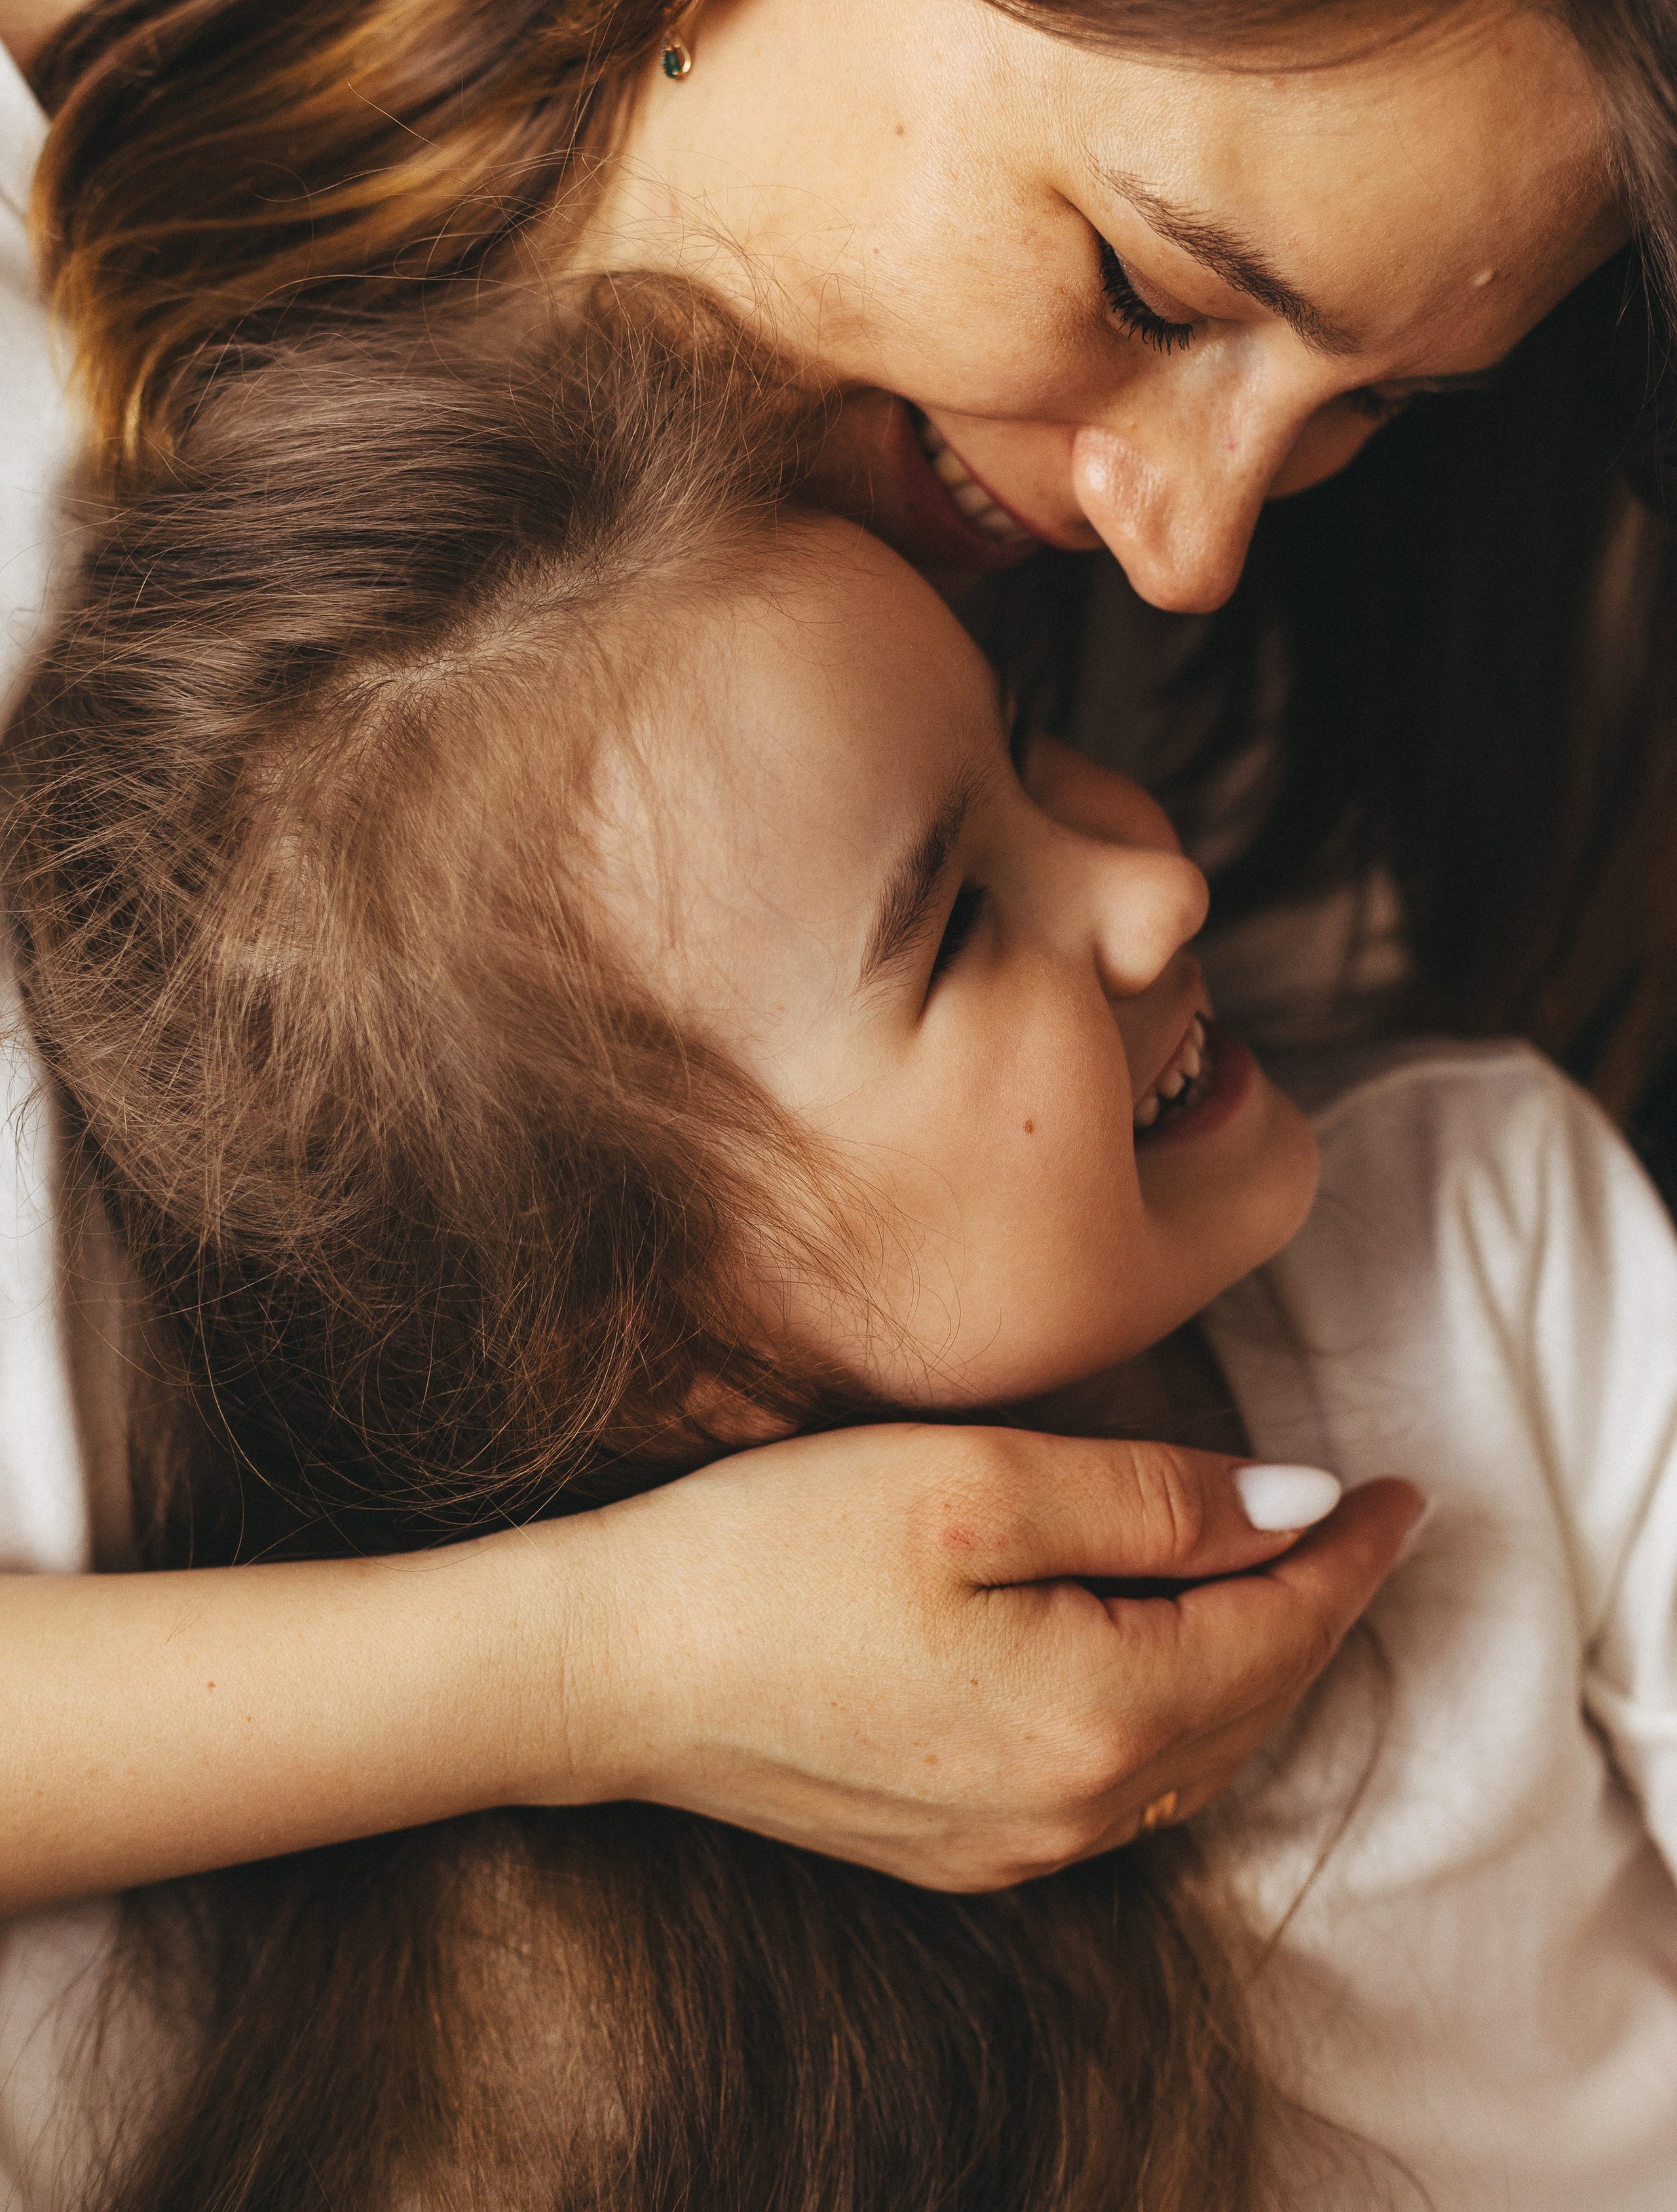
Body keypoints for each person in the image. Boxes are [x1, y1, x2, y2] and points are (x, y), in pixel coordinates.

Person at [7, 295, 1674, 2211]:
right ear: (641, 1356)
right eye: (961, 924)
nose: (1156, 886)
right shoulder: (558, 2025)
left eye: (1035, 749)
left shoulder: (1492, 1227)